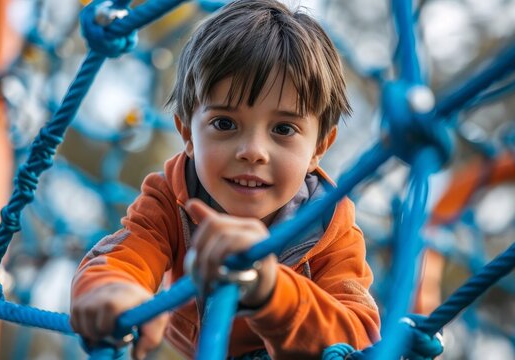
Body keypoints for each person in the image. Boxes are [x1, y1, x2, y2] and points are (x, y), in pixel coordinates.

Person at [70, 0, 381, 358]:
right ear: (187, 134)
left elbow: (360, 337)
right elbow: (125, 255)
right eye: (224, 124)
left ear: (319, 147)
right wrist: (113, 289)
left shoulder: (328, 226)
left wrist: (268, 288)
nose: (252, 151)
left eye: (283, 129)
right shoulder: (172, 197)